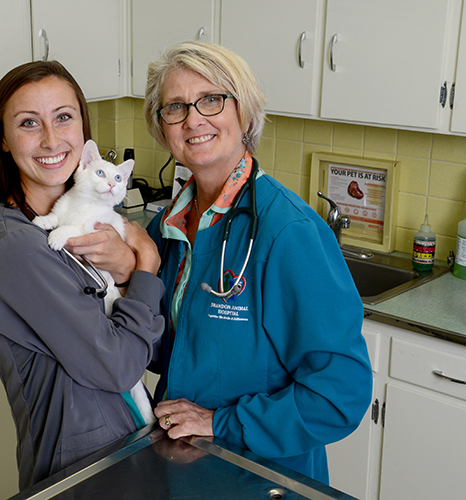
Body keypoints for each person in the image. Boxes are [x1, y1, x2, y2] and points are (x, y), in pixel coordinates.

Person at [143, 42, 372, 484]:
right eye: (175, 106)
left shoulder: (289, 233)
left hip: (263, 474)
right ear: (162, 127)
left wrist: (219, 421)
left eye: (211, 99)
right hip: (182, 463)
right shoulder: (169, 230)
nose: (193, 119)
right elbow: (169, 351)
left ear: (244, 114)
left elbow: (339, 395)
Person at [0, 61, 165, 490]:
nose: (51, 139)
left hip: (122, 445)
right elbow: (117, 366)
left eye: (64, 117)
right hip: (79, 469)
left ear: (83, 128)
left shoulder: (83, 230)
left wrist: (126, 273)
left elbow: (151, 351)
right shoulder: (18, 248)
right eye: (28, 123)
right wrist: (146, 267)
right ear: (2, 140)